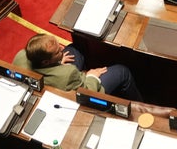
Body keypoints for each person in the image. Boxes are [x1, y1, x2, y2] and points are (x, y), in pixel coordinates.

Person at [14, 33, 142, 100]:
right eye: (57, 52)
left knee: (73, 49)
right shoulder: (67, 74)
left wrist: (57, 63)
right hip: (79, 90)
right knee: (122, 72)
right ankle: (139, 106)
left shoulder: (21, 55)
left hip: (52, 79)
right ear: (46, 62)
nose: (62, 48)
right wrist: (92, 76)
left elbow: (46, 73)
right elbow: (87, 91)